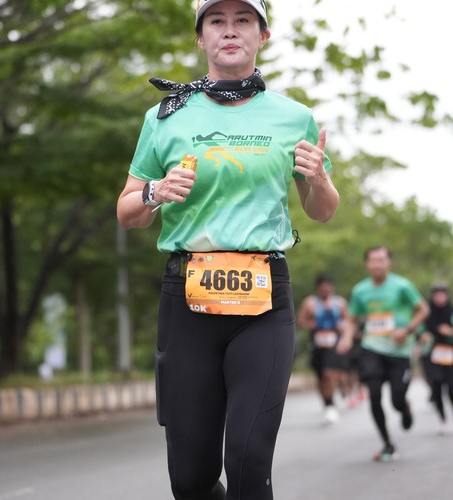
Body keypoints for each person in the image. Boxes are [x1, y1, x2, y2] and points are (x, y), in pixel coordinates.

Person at [116, 1, 340, 498]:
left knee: (247, 459)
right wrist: (156, 192)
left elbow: (321, 211)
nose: (230, 30)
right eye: (216, 21)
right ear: (201, 38)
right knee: (191, 480)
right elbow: (127, 210)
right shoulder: (165, 116)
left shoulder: (294, 117)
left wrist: (319, 178)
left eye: (243, 20)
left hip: (264, 297)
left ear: (263, 35)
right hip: (187, 296)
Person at [338, 246, 429, 463]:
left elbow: (423, 309)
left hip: (399, 350)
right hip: (372, 348)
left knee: (397, 398)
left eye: (381, 260)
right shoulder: (360, 290)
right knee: (375, 395)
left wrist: (407, 330)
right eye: (373, 260)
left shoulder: (402, 286)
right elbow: (352, 319)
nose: (377, 264)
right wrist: (346, 338)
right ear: (367, 264)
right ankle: (388, 444)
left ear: (389, 263)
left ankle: (404, 407)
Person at [297, 274, 350, 425]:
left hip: (334, 344)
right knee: (321, 376)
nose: (325, 289)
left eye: (328, 286)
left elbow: (348, 320)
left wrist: (344, 334)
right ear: (318, 288)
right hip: (318, 344)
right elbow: (301, 320)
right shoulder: (310, 303)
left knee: (329, 372)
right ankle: (327, 403)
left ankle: (331, 404)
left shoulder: (339, 303)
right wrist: (311, 324)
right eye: (322, 286)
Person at [423, 282, 453, 434]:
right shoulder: (426, 313)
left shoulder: (451, 311)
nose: (440, 297)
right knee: (436, 385)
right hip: (432, 354)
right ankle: (442, 418)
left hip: (450, 353)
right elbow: (420, 329)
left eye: (443, 294)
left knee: (451, 387)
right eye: (437, 294)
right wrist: (425, 335)